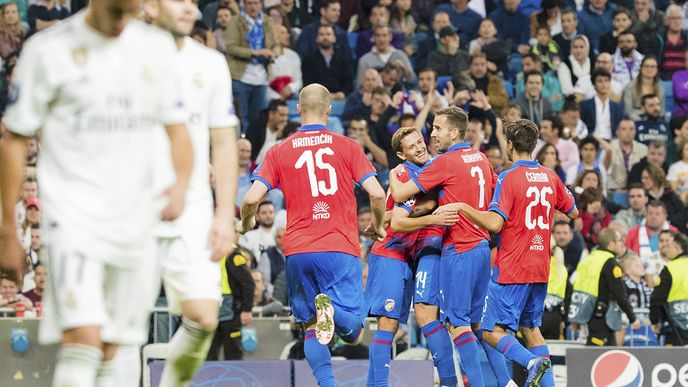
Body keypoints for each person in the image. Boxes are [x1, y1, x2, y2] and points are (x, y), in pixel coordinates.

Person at [0, 2, 193, 386]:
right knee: (82, 337)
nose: (124, 22)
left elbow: (178, 131)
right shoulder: (49, 50)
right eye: (117, 13)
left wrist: (181, 186)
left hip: (138, 219)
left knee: (112, 347)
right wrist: (8, 228)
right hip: (73, 218)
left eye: (131, 12)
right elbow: (15, 138)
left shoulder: (155, 48)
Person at [241, 84, 387, 387]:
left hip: (298, 251)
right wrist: (379, 225)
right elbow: (376, 193)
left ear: (298, 109)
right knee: (355, 331)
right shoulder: (347, 146)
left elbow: (250, 200)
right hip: (339, 247)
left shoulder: (279, 149)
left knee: (310, 326)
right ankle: (332, 310)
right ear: (329, 110)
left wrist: (245, 224)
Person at [145, 1, 240, 385]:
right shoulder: (124, 56)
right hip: (134, 208)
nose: (191, 10)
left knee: (203, 316)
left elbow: (224, 141)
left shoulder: (211, 63)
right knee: (114, 331)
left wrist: (222, 214)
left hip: (194, 208)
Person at [449, 118, 577, 387]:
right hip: (541, 265)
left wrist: (462, 206)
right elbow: (573, 211)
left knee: (491, 331)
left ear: (509, 144)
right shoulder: (550, 176)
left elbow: (496, 223)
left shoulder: (510, 176)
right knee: (531, 330)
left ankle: (531, 362)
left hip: (514, 266)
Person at [389, 107, 503, 387]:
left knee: (455, 322)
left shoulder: (442, 162)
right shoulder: (481, 157)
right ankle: (509, 379)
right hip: (482, 247)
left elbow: (399, 201)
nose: (431, 135)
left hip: (455, 247)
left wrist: (392, 176)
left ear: (453, 132)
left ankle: (464, 383)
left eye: (437, 129)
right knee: (478, 325)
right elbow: (495, 191)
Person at [365, 127, 459, 387]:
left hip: (410, 256)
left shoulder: (430, 168)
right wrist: (430, 214)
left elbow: (402, 211)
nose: (419, 148)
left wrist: (383, 218)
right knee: (388, 323)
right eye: (411, 147)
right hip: (390, 252)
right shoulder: (404, 173)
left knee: (413, 318)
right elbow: (397, 221)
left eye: (420, 142)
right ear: (400, 154)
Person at [570, 228, 640, 346]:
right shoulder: (610, 263)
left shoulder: (589, 259)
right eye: (619, 241)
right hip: (602, 319)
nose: (621, 244)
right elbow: (620, 294)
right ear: (611, 244)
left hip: (585, 313)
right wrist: (632, 318)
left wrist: (576, 317)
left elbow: (577, 286)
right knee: (602, 357)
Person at [224, 0, 277, 131]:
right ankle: (242, 148)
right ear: (244, 5)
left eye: (256, 3)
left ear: (261, 4)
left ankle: (254, 149)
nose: (253, 7)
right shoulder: (235, 21)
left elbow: (276, 45)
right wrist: (255, 52)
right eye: (249, 3)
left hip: (262, 77)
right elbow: (231, 48)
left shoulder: (268, 21)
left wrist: (273, 52)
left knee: (258, 119)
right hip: (240, 77)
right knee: (241, 118)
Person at [207, 240, 255, 361]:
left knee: (233, 351)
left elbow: (248, 283)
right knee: (209, 352)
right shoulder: (206, 250)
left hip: (229, 308)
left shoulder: (232, 253)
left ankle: (235, 378)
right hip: (212, 306)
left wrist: (246, 310)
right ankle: (210, 378)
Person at [625, 200, 677, 287]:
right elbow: (627, 257)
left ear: (665, 216)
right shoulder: (633, 233)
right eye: (650, 213)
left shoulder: (674, 233)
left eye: (657, 214)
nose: (653, 217)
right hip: (639, 280)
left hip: (671, 278)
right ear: (645, 214)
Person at [650, 230, 688, 345]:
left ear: (677, 247)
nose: (666, 249)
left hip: (675, 324)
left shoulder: (670, 269)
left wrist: (655, 320)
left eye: (669, 246)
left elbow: (657, 298)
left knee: (674, 360)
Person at [301, 24, 354, 99]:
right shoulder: (308, 60)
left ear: (334, 38)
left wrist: (343, 93)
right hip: (316, 99)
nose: (325, 37)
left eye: (328, 34)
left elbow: (349, 81)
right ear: (317, 38)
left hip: (340, 98)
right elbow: (308, 82)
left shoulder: (343, 58)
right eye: (321, 34)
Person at [580, 68, 624, 140]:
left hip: (613, 142)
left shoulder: (618, 107)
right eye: (600, 81)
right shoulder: (585, 106)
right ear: (594, 84)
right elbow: (583, 129)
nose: (604, 84)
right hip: (592, 142)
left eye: (606, 80)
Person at [607, 119, 648, 191]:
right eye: (624, 129)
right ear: (617, 132)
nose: (628, 132)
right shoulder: (608, 149)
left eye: (631, 129)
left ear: (635, 132)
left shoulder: (644, 150)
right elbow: (604, 172)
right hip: (613, 190)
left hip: (638, 190)